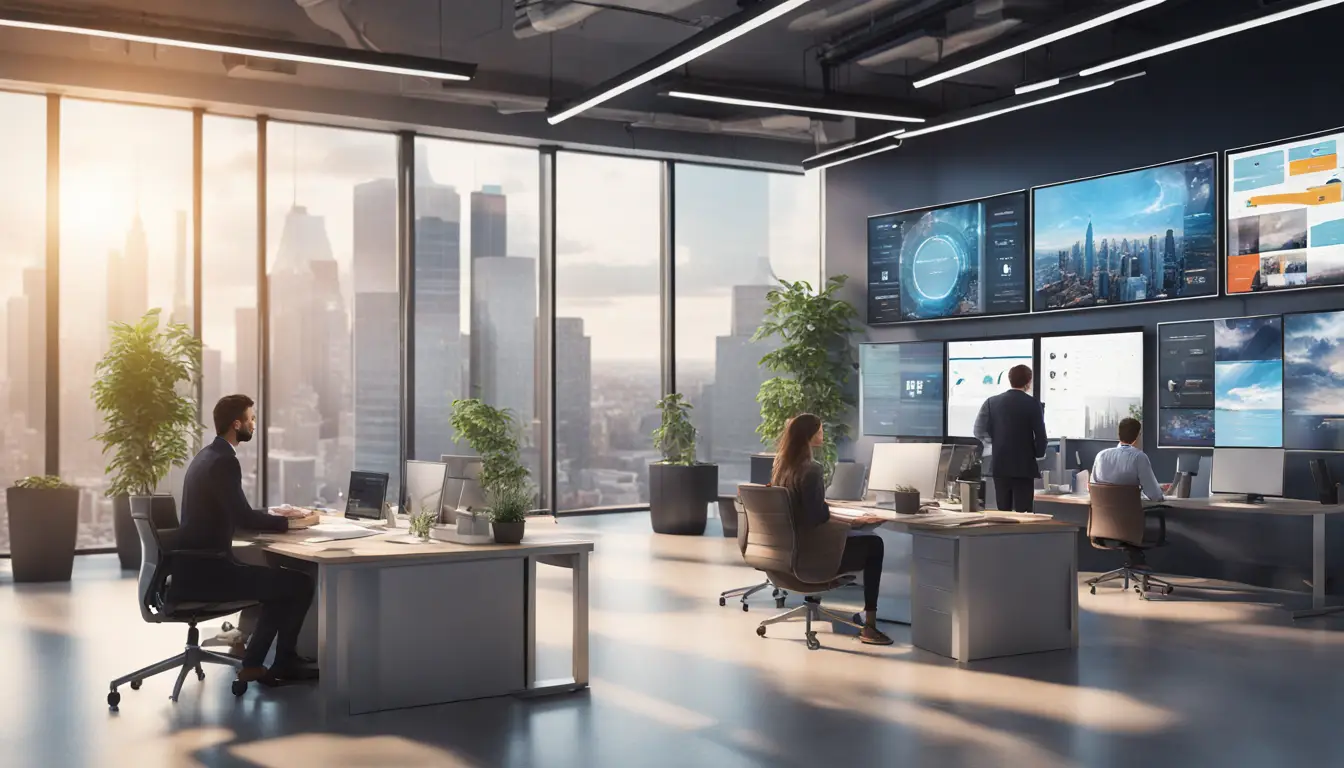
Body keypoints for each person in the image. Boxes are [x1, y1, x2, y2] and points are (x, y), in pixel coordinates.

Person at [171, 395, 320, 686]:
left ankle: (258, 662)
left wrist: (274, 513)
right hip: (211, 572)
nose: (253, 425)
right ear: (236, 424)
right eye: (251, 419)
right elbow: (243, 519)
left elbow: (235, 512)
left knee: (279, 584)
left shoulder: (207, 456)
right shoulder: (225, 462)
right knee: (298, 584)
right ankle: (277, 662)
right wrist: (291, 523)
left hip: (192, 568)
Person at [771, 414, 893, 646]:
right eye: (819, 430)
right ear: (809, 435)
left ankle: (870, 620)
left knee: (860, 535)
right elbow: (818, 517)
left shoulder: (781, 467)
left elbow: (809, 512)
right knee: (874, 543)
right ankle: (870, 625)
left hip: (786, 554)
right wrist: (851, 523)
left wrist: (842, 519)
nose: (822, 434)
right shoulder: (811, 470)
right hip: (811, 556)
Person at [973, 364, 1047, 512]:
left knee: (1003, 511)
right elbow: (1041, 436)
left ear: (1009, 379)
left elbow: (978, 430)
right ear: (1029, 381)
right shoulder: (1033, 404)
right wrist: (1038, 453)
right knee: (1023, 512)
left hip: (1000, 463)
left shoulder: (991, 402)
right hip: (1024, 465)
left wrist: (996, 443)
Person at [1091, 417, 1166, 503]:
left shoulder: (1101, 455)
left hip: (1102, 515)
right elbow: (1155, 496)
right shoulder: (1139, 457)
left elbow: (1092, 489)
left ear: (1119, 435)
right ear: (1138, 436)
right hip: (1130, 515)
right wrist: (1160, 492)